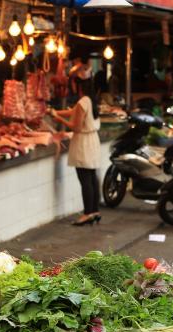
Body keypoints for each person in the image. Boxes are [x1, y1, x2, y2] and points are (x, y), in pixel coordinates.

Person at [50, 66, 102, 226]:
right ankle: (94, 211)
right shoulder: (91, 99)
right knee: (92, 176)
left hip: (83, 143)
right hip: (92, 141)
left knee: (85, 178)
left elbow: (75, 126)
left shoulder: (82, 102)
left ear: (78, 85)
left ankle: (87, 213)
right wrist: (57, 112)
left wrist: (57, 119)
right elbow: (74, 111)